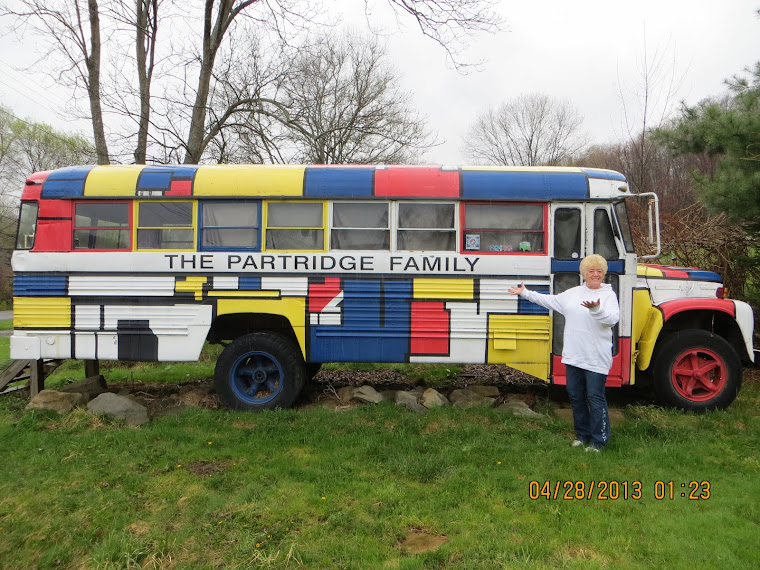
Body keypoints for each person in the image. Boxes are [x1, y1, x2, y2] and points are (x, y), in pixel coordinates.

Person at [507, 254, 620, 452]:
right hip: (573, 357)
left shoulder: (608, 295)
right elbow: (550, 300)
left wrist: (596, 310)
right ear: (584, 273)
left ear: (604, 274)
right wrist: (525, 293)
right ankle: (582, 435)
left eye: (599, 271)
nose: (595, 274)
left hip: (596, 358)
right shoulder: (573, 293)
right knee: (575, 397)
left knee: (595, 398)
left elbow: (611, 319)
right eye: (591, 271)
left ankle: (599, 441)